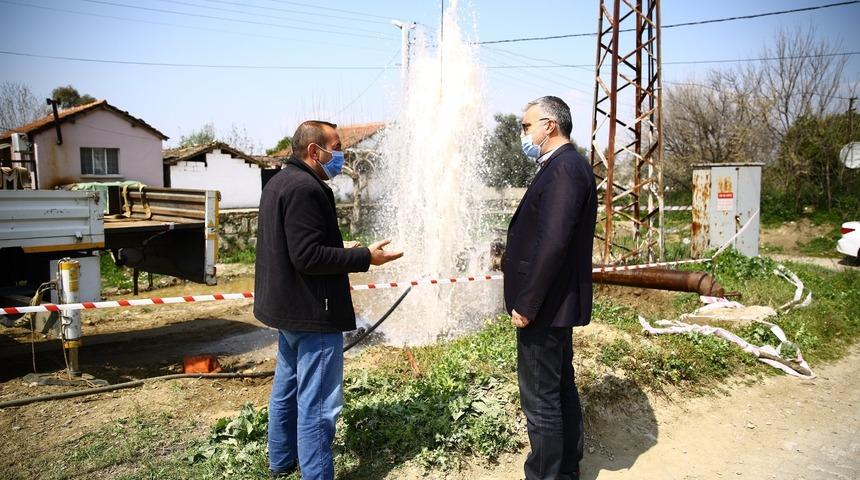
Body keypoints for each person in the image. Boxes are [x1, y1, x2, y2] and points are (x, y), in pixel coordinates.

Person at [254, 120, 403, 479]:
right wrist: (366, 256)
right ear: (313, 151)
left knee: (286, 390)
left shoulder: (279, 182)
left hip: (287, 308)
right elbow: (307, 257)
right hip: (312, 312)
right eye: (336, 148)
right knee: (319, 404)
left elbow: (298, 248)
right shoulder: (307, 188)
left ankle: (281, 461)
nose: (341, 155)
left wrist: (339, 248)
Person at [503, 96, 597, 480]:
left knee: (541, 400)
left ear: (549, 125)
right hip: (554, 303)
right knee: (559, 389)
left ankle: (546, 475)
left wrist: (527, 303)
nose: (524, 134)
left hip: (544, 306)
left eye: (527, 126)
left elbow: (554, 243)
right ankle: (566, 468)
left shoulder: (563, 169)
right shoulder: (565, 166)